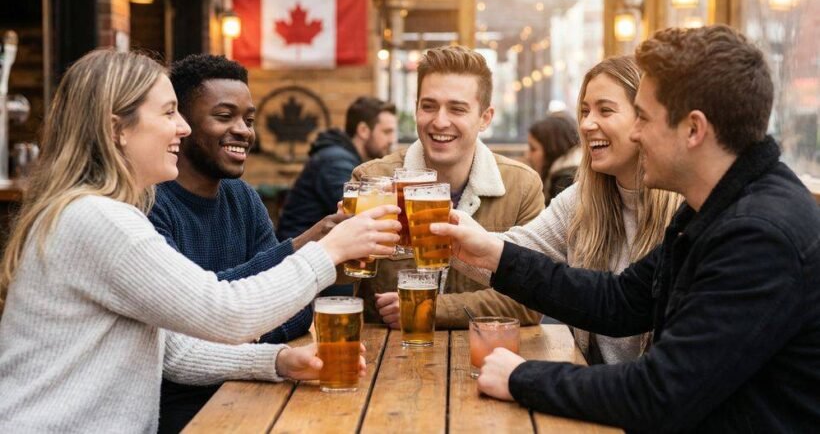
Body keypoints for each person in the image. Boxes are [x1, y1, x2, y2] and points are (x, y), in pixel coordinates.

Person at [433, 26, 820, 431]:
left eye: (645, 118)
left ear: (693, 129)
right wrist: (493, 254)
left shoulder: (758, 236)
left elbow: (659, 393)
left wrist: (520, 377)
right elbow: (619, 301)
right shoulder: (714, 207)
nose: (635, 133)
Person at [0, 50, 400, 432]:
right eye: (169, 112)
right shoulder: (98, 219)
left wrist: (277, 361)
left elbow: (173, 350)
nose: (184, 127)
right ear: (116, 129)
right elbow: (225, 312)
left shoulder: (94, 212)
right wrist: (328, 250)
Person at [148, 54, 347, 432]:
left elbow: (296, 309)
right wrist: (300, 249)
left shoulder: (242, 197)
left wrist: (240, 326)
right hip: (180, 410)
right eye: (224, 117)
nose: (244, 130)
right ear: (182, 125)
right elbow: (190, 323)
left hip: (256, 386)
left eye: (249, 120)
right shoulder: (150, 206)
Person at [456, 55, 682, 364]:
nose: (587, 125)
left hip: (645, 400)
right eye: (585, 111)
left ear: (644, 119)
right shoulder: (581, 200)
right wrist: (438, 231)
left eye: (605, 110)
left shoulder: (687, 211)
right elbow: (507, 254)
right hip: (603, 396)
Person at [353, 45, 544, 329]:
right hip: (387, 359)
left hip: (483, 360)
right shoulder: (373, 179)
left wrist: (432, 308)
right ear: (416, 107)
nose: (440, 121)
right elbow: (344, 280)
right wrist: (337, 240)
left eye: (457, 109)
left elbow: (532, 301)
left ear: (485, 118)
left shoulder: (521, 186)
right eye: (428, 106)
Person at [278, 96, 397, 241]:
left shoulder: (344, 157)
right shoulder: (335, 162)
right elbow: (358, 215)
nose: (392, 140)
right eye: (386, 132)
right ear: (363, 130)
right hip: (299, 253)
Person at [526, 112, 582, 206]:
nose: (527, 155)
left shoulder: (565, 182)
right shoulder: (568, 175)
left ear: (551, 149)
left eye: (533, 149)